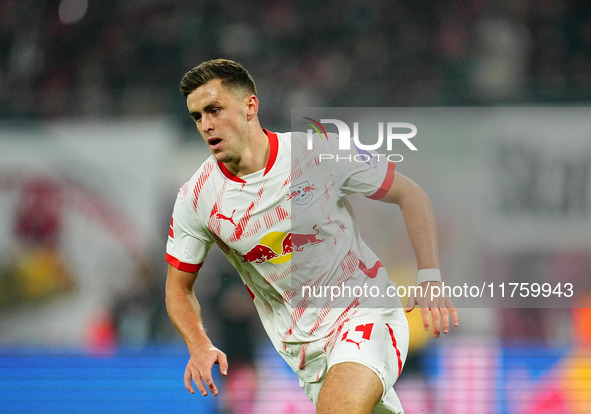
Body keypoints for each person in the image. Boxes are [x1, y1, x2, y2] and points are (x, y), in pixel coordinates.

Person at [165, 58, 459, 414]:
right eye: (197, 116)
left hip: (365, 314)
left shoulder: (317, 152)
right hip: (303, 352)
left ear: (250, 106)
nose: (206, 125)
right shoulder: (197, 198)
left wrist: (429, 277)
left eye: (214, 110)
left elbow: (410, 194)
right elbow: (178, 287)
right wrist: (198, 345)